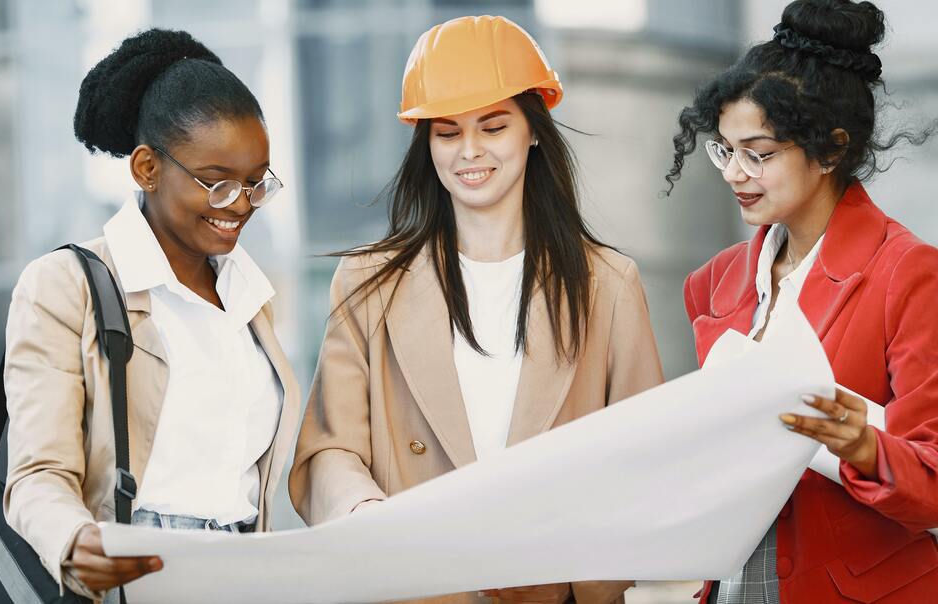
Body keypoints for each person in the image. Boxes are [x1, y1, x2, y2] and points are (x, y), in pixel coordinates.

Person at [289, 15, 663, 604]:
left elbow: (646, 458)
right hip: (413, 587)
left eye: (493, 126)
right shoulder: (367, 283)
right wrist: (363, 515)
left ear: (533, 130)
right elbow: (331, 447)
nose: (469, 151)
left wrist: (579, 568)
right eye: (446, 133)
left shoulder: (606, 285)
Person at [3, 28, 300, 600]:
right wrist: (74, 541)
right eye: (217, 184)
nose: (241, 204)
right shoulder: (65, 286)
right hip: (134, 576)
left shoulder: (249, 295)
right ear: (146, 169)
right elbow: (38, 475)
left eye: (255, 183)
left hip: (244, 577)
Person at [667, 1, 938, 601]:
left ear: (831, 149)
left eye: (758, 153)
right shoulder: (714, 281)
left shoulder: (908, 274)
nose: (734, 173)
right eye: (725, 150)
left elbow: (933, 483)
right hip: (736, 582)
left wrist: (865, 448)